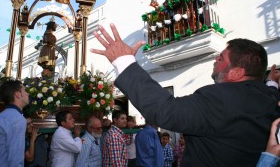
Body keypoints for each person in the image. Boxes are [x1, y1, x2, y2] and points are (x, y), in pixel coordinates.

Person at [90, 23, 280, 166]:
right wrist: (271, 81)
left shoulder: (220, 98)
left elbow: (166, 110)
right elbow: (270, 92)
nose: (216, 58)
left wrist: (123, 62)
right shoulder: (269, 99)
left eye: (221, 58)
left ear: (236, 72)